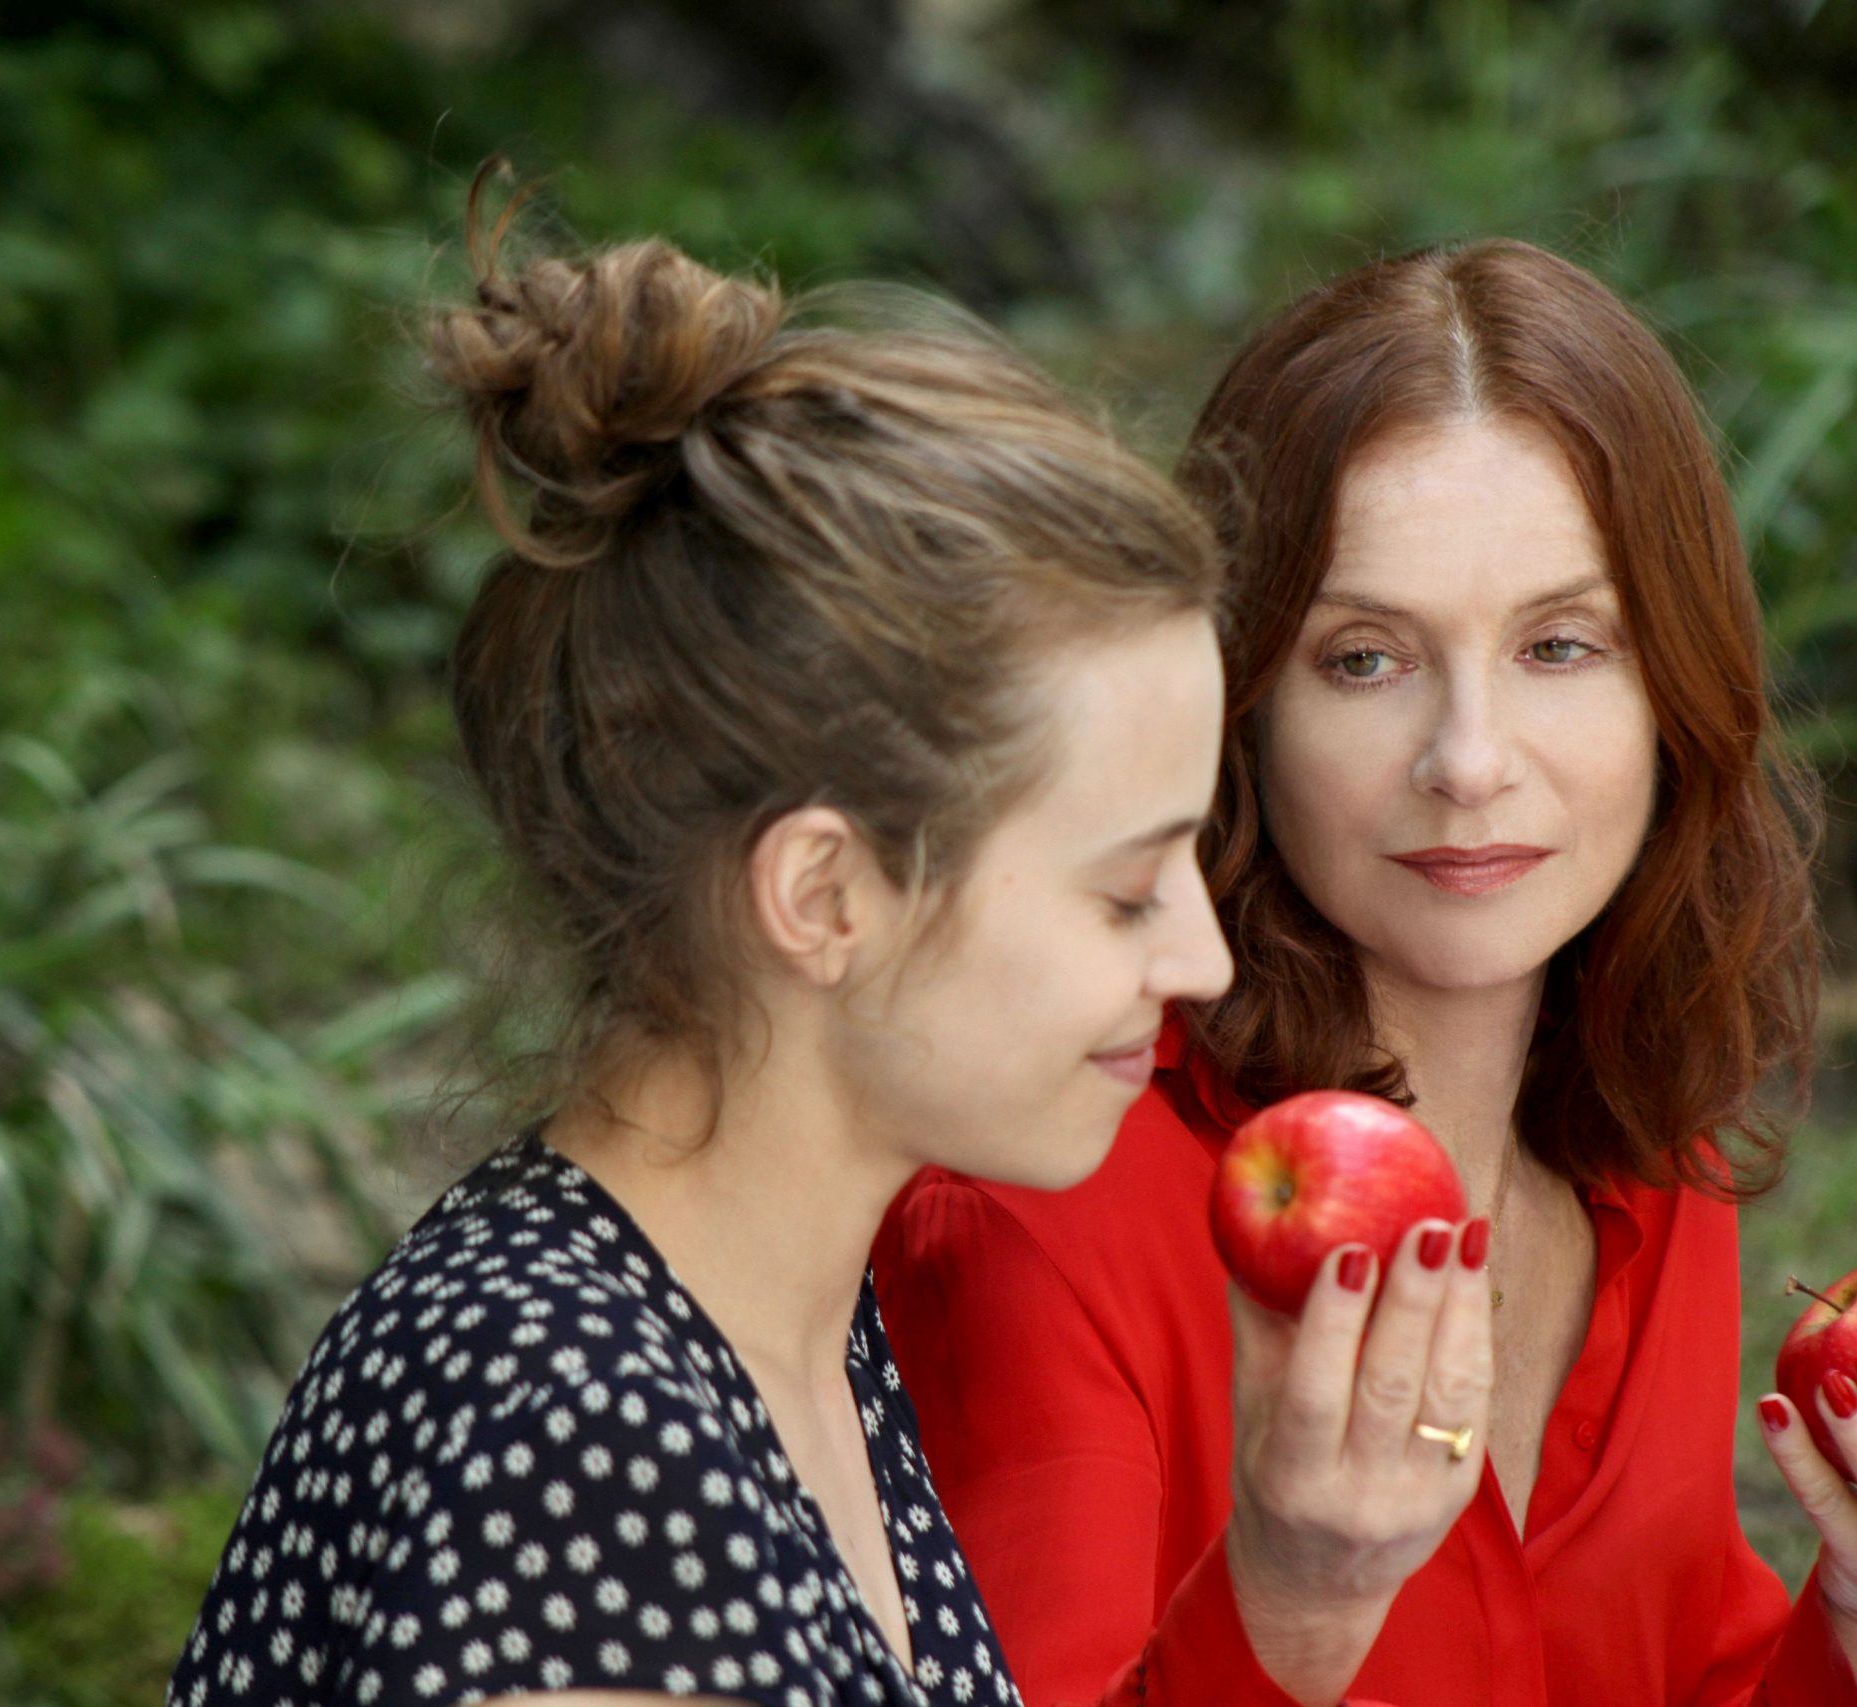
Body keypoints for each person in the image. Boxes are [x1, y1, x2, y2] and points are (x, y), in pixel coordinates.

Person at [871, 240, 1857, 1707]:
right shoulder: (1039, 1219)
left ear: (1676, 688)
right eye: (1364, 659)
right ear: (1233, 704)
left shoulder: (1646, 1159)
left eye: (1562, 645)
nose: (1471, 764)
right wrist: (1291, 1607)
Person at [164, 177, 1238, 1707]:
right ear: (822, 895)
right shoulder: (569, 1445)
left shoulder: (768, 1323)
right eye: (1127, 891)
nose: (1202, 959)